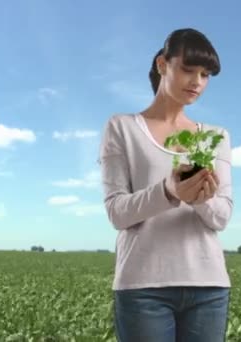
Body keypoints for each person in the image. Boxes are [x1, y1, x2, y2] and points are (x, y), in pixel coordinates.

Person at [98, 28, 233, 342]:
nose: (197, 81)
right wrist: (169, 192)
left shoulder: (215, 137)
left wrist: (198, 198)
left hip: (209, 287)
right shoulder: (122, 127)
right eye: (188, 69)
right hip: (142, 287)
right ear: (162, 64)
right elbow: (117, 213)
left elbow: (221, 216)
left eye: (205, 74)